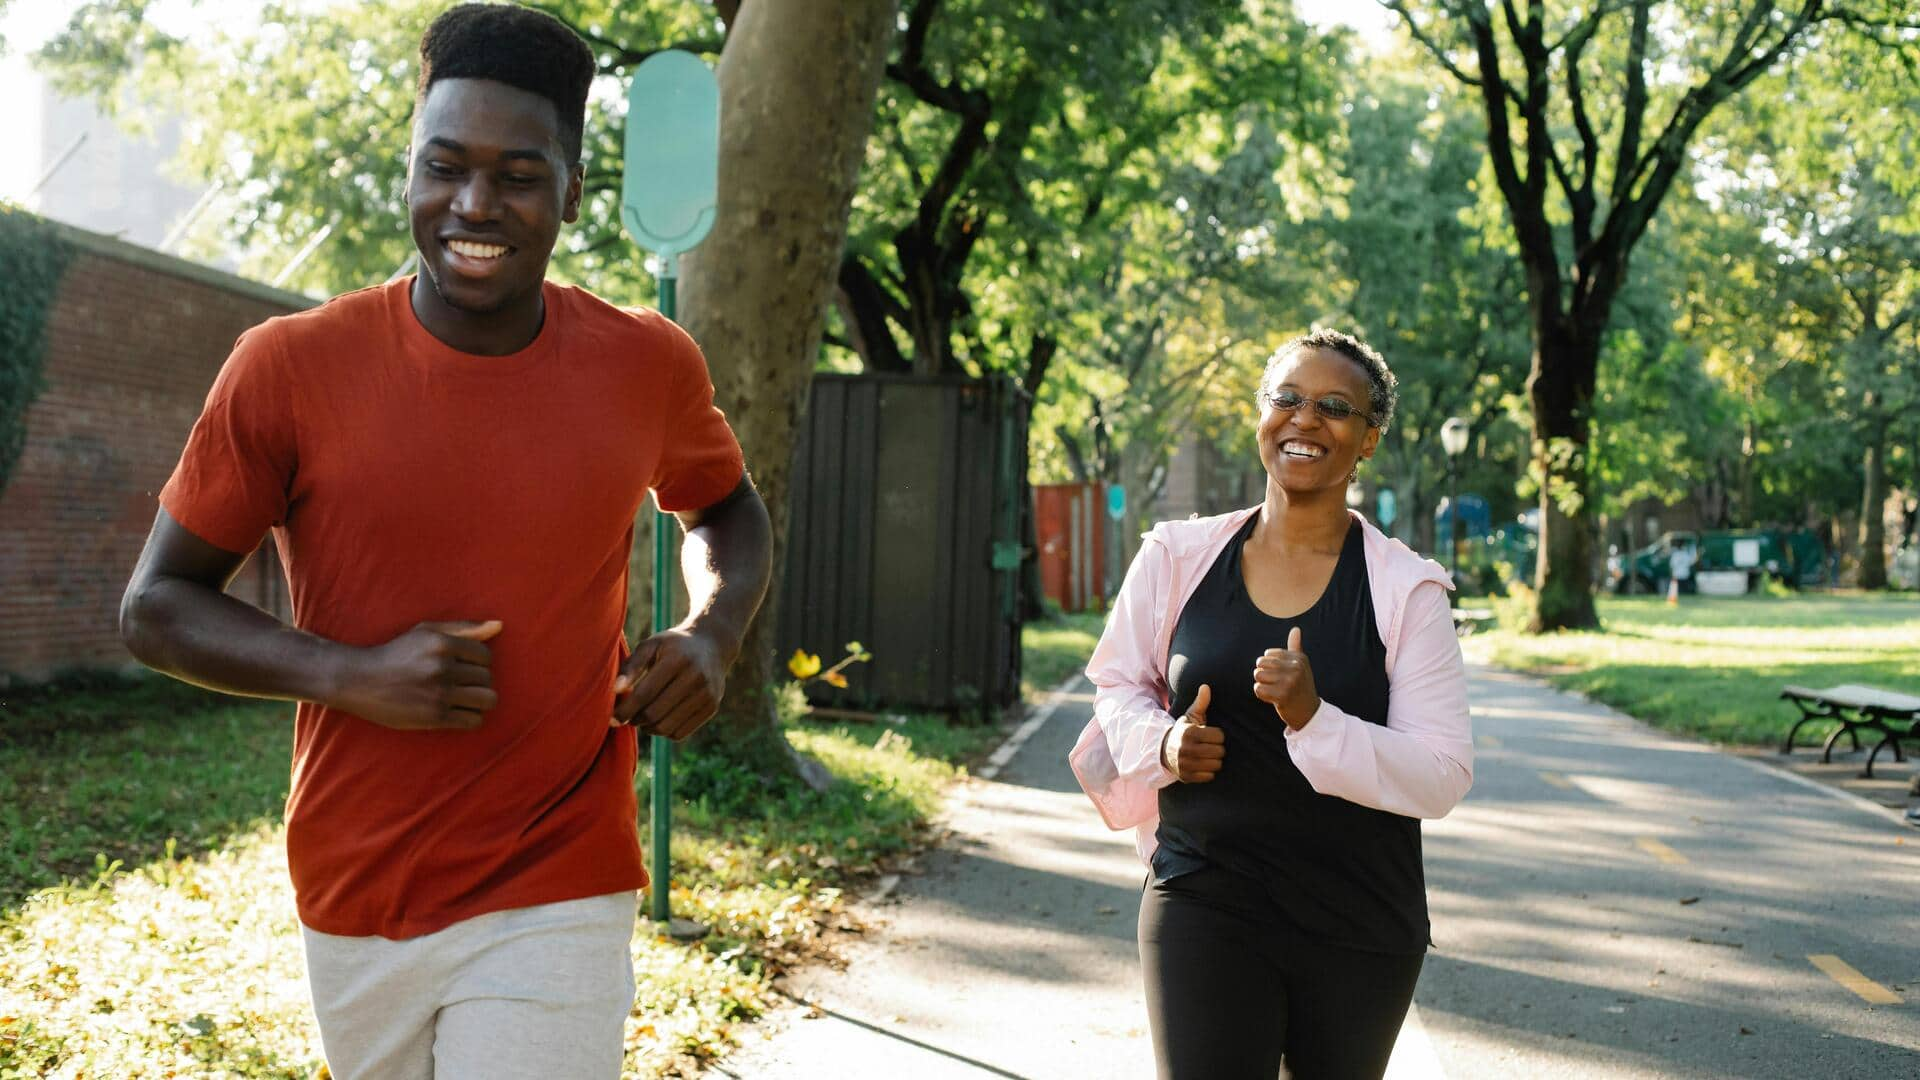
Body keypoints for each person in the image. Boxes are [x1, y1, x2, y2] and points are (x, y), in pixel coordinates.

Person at [117, 5, 772, 1077]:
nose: (474, 204)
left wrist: (713, 633)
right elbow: (155, 607)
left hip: (559, 872)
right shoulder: (287, 368)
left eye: (518, 175)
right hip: (357, 878)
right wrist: (350, 673)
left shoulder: (645, 366)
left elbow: (725, 505)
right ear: (409, 172)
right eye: (444, 166)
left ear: (569, 191)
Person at [1069, 328, 1473, 1079]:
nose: (1305, 419)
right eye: (1285, 398)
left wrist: (1317, 721)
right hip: (1204, 896)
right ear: (1261, 415)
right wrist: (1163, 746)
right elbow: (1117, 685)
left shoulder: (1405, 590)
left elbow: (1442, 773)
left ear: (1368, 440)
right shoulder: (1177, 557)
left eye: (1334, 407)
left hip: (1359, 917)